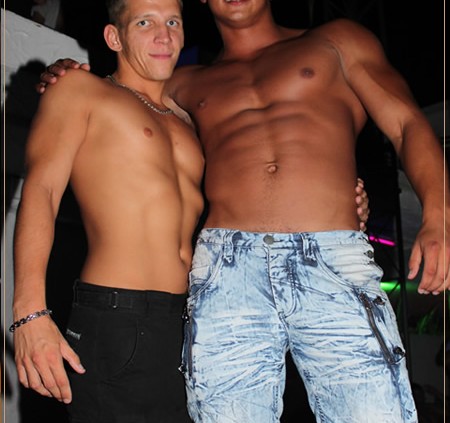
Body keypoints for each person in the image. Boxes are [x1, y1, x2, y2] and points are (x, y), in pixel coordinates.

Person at [35, 1, 446, 422]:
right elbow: (123, 93)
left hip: (330, 258)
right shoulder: (183, 85)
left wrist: (439, 215)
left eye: (169, 22)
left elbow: (406, 123)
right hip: (227, 270)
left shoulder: (337, 41)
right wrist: (65, 75)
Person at [11, 0, 203, 421]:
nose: (164, 35)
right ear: (114, 37)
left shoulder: (189, 119)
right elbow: (42, 190)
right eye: (145, 22)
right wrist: (29, 313)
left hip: (189, 323)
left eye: (173, 21)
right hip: (118, 318)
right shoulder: (82, 90)